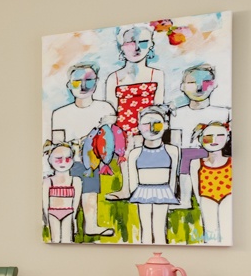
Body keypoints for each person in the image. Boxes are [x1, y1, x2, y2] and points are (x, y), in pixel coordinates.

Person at [49, 63, 117, 238]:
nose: (83, 85)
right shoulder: (60, 114)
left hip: (94, 160)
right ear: (69, 85)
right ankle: (68, 223)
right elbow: (57, 143)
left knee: (90, 181)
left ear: (96, 82)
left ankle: (91, 225)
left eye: (89, 80)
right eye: (77, 81)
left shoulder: (105, 108)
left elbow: (111, 139)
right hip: (69, 161)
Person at [113, 105, 182, 245]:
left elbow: (174, 176)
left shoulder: (172, 150)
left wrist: (171, 194)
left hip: (163, 192)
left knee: (160, 227)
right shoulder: (135, 153)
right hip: (142, 192)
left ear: (166, 125)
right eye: (146, 124)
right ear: (139, 127)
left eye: (157, 124)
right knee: (145, 228)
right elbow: (133, 179)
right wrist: (135, 194)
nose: (151, 129)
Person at [101, 24, 166, 139]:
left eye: (143, 42)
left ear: (151, 45)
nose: (137, 48)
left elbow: (158, 111)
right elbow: (111, 115)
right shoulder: (113, 78)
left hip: (149, 134)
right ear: (122, 47)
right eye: (131, 43)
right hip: (121, 136)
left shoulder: (156, 75)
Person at [186, 121, 232, 244]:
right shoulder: (196, 163)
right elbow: (196, 187)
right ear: (200, 139)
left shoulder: (232, 162)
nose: (214, 140)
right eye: (209, 136)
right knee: (211, 232)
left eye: (220, 136)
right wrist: (201, 201)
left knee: (227, 231)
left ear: (227, 137)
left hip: (228, 196)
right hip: (207, 197)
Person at [42, 143, 82, 243]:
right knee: (55, 240)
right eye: (58, 159)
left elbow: (76, 203)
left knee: (67, 240)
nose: (63, 162)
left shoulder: (76, 181)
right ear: (50, 160)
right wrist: (46, 220)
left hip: (69, 213)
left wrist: (74, 219)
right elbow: (45, 203)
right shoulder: (47, 182)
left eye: (68, 159)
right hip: (52, 213)